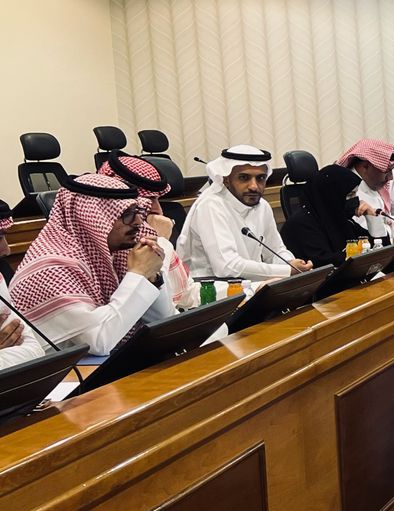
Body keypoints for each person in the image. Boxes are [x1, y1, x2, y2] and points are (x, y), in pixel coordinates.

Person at [10, 174, 175, 355]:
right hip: (71, 370)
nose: (138, 221)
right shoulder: (50, 266)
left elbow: (163, 321)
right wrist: (139, 274)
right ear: (89, 218)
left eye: (137, 212)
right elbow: (99, 342)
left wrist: (153, 277)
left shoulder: (117, 252)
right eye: (126, 214)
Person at [178, 146, 310, 282]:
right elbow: (226, 266)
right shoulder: (211, 205)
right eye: (244, 178)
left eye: (260, 178)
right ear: (226, 179)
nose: (254, 186)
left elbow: (275, 251)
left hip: (248, 283)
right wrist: (287, 270)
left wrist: (291, 263)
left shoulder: (262, 206)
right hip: (209, 286)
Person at [100, 154, 194, 307]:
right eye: (147, 200)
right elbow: (147, 310)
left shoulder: (153, 229)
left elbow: (186, 296)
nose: (158, 210)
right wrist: (159, 242)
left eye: (157, 199)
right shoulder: (113, 246)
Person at [281, 166, 377, 268]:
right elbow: (323, 262)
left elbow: (379, 246)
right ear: (332, 196)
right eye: (350, 195)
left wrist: (372, 218)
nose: (355, 200)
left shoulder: (341, 220)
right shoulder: (300, 225)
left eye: (355, 194)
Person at [338, 139, 394, 244]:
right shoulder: (349, 191)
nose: (390, 177)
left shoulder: (372, 183)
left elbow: (387, 220)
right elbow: (362, 238)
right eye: (387, 171)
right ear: (365, 167)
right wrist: (393, 242)